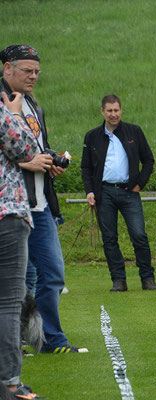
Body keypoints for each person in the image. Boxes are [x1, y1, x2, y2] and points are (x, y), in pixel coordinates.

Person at [1, 44, 85, 355]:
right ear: (7, 68)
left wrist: (50, 162)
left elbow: (37, 146)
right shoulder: (1, 102)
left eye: (37, 71)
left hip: (40, 204)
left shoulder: (34, 105)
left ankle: (50, 340)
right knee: (14, 282)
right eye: (27, 70)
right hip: (9, 206)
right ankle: (13, 342)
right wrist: (27, 163)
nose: (34, 76)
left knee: (52, 274)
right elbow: (11, 151)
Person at [81, 94, 156, 292]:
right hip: (104, 193)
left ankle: (147, 278)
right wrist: (90, 191)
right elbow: (86, 168)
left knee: (139, 235)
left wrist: (140, 183)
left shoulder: (134, 131)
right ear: (102, 112)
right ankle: (118, 280)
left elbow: (148, 160)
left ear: (121, 111)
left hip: (129, 191)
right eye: (109, 111)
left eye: (116, 110)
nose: (113, 114)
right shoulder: (92, 136)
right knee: (109, 238)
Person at [0, 89, 43, 398]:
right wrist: (15, 113)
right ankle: (11, 385)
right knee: (8, 304)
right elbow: (27, 147)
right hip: (7, 212)